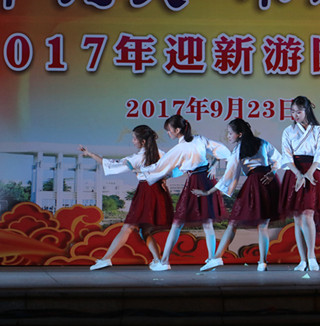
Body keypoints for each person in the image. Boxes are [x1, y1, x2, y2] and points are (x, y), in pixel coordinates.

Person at [140, 115, 231, 271]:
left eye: (169, 130)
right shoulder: (199, 139)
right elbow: (222, 150)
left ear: (177, 130)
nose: (168, 133)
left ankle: (164, 262)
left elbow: (163, 165)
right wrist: (215, 164)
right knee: (207, 222)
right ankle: (212, 259)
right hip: (207, 179)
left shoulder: (180, 148)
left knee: (177, 223)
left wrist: (143, 170)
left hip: (195, 181)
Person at [79, 125, 173, 271]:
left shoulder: (138, 157)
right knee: (144, 230)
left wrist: (90, 154)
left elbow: (112, 165)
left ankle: (106, 259)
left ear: (142, 141)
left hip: (146, 192)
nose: (133, 141)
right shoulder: (162, 154)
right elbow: (171, 170)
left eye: (134, 138)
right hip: (158, 192)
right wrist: (162, 179)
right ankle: (159, 261)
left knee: (128, 227)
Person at [195, 118, 281, 272]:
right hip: (270, 183)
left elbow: (229, 175)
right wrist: (272, 173)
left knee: (233, 222)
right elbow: (278, 159)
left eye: (230, 133)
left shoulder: (238, 150)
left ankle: (217, 258)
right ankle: (262, 263)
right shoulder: (262, 142)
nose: (228, 136)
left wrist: (208, 191)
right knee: (263, 226)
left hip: (255, 183)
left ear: (240, 134)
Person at [278, 96, 320, 271]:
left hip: (312, 171)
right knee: (298, 217)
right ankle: (302, 260)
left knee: (308, 213)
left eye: (298, 111)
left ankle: (311, 256)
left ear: (307, 110)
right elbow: (286, 155)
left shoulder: (318, 130)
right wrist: (298, 174)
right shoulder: (288, 131)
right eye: (292, 112)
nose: (295, 115)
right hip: (295, 172)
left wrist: (308, 173)